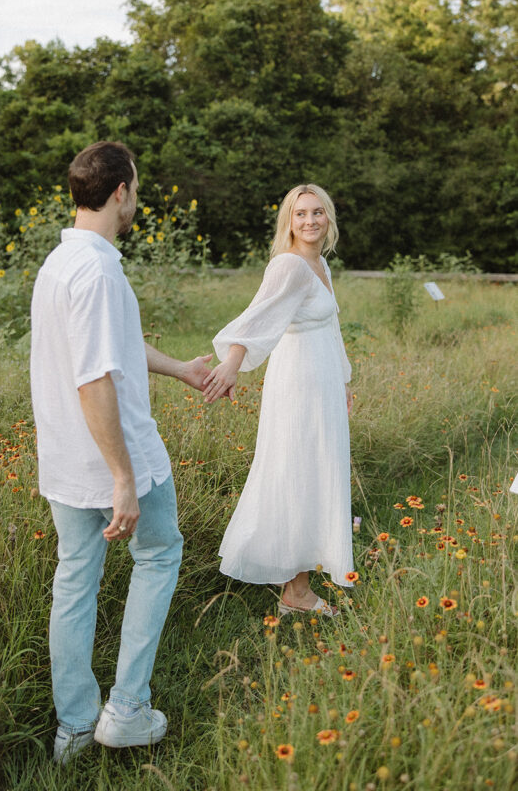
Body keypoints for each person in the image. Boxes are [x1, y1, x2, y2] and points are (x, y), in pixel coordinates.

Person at [30, 141, 215, 764]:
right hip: (115, 461)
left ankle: (75, 729)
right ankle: (128, 709)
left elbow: (118, 347)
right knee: (161, 553)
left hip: (61, 463)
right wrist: (122, 478)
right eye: (135, 188)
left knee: (74, 583)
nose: (136, 198)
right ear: (120, 193)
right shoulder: (101, 270)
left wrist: (183, 370)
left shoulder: (58, 263)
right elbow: (94, 379)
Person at [203, 184, 354, 616]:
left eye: (317, 212)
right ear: (289, 221)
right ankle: (295, 589)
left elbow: (331, 326)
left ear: (329, 218)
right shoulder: (288, 265)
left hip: (322, 381)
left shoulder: (320, 262)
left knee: (317, 471)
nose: (310, 221)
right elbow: (257, 319)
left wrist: (343, 377)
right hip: (298, 386)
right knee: (296, 472)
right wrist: (231, 364)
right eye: (300, 213)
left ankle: (299, 583)